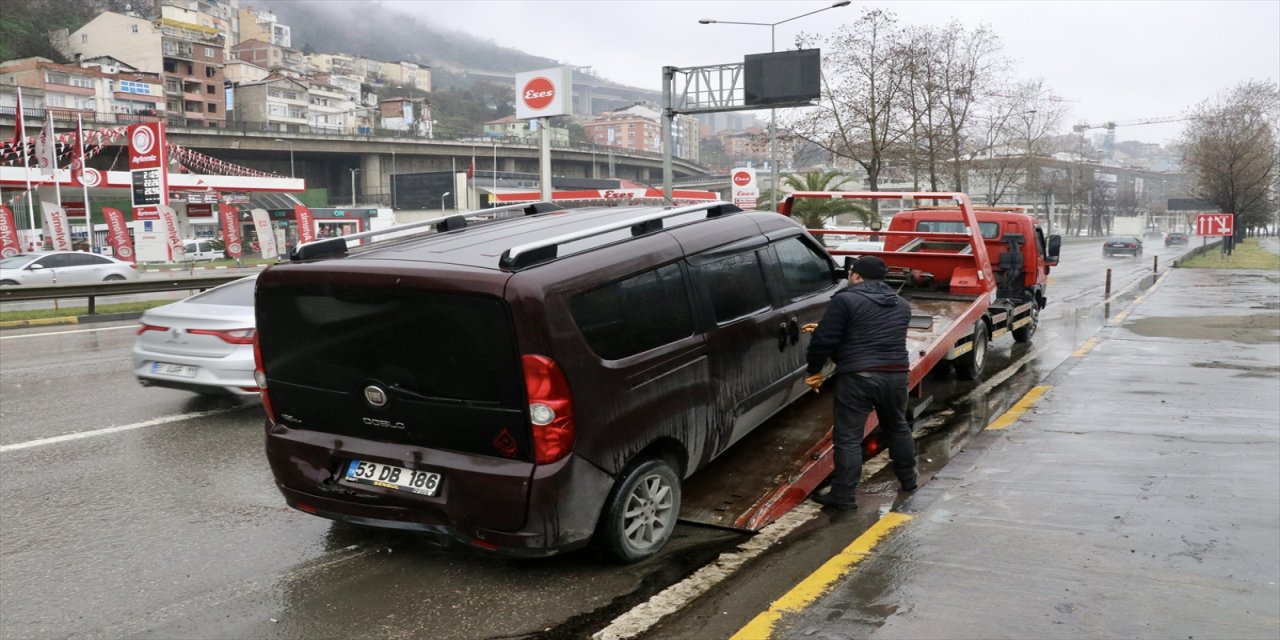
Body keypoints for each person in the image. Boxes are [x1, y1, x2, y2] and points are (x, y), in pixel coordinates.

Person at [803, 255, 917, 511]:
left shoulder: (844, 300)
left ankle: (843, 495)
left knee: (848, 438)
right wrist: (824, 327)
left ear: (856, 275)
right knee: (897, 427)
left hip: (859, 377)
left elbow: (826, 341)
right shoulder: (901, 304)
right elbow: (871, 331)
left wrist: (814, 369)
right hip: (896, 374)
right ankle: (909, 479)